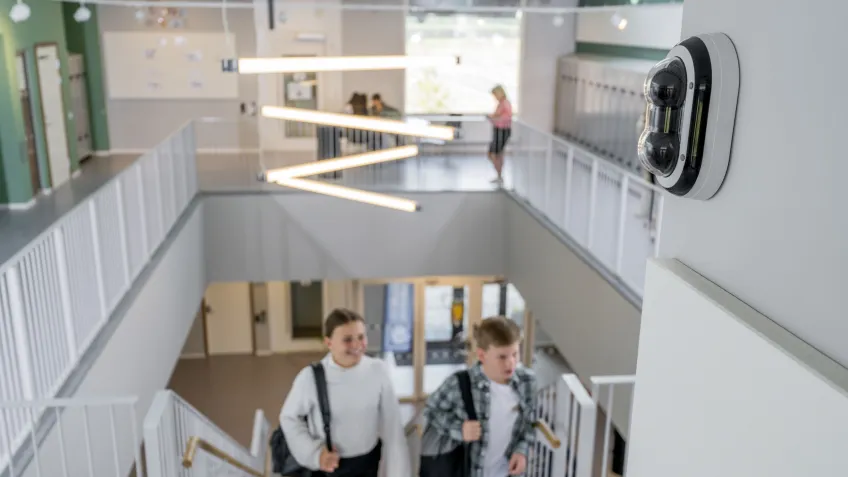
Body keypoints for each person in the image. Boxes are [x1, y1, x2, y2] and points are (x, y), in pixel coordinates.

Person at [280, 308, 410, 477]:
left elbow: (393, 428)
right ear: (329, 343)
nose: (357, 345)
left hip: (368, 463)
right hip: (329, 467)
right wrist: (315, 454)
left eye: (361, 337)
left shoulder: (378, 370)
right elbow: (289, 418)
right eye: (347, 339)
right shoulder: (310, 377)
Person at [423, 316, 537, 477]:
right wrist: (459, 429)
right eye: (502, 357)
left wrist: (522, 451)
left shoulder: (527, 381)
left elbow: (530, 424)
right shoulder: (458, 384)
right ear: (482, 355)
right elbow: (431, 411)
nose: (511, 363)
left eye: (515, 354)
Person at [487, 85, 513, 184]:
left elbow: (505, 117)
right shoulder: (501, 104)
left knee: (496, 154)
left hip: (502, 131)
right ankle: (499, 175)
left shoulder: (505, 104)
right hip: (498, 130)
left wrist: (495, 117)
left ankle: (499, 175)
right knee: (495, 154)